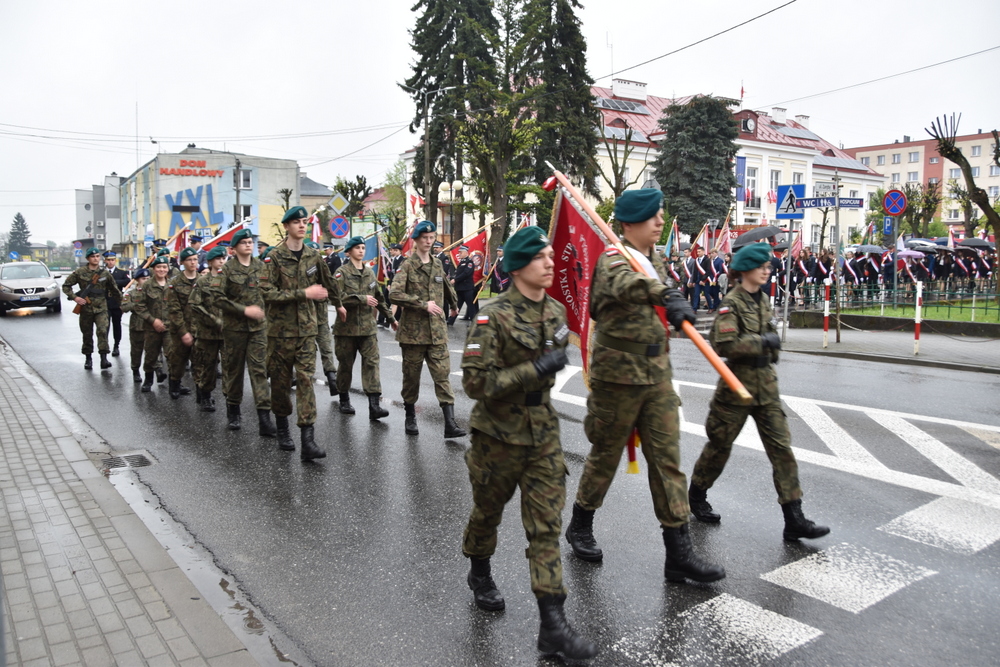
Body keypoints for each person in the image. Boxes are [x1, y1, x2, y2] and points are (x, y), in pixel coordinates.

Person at [566, 189, 725, 584]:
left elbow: (656, 292)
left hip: (656, 374)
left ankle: (678, 553)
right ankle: (580, 522)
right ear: (630, 222)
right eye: (653, 216)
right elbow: (626, 284)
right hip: (617, 377)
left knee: (667, 460)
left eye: (660, 215)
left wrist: (673, 301)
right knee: (605, 455)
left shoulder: (655, 260)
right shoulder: (613, 259)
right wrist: (664, 293)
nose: (660, 222)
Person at [460, 226, 597, 661]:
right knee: (487, 514)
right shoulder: (493, 317)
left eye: (551, 256)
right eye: (541, 257)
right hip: (497, 436)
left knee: (546, 526)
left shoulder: (555, 311)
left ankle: (553, 624)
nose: (550, 263)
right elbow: (475, 383)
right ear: (519, 267)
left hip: (542, 434)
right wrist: (534, 369)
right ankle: (479, 570)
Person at [688, 243, 830, 541]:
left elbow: (769, 333)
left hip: (766, 386)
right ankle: (697, 494)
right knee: (719, 446)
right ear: (746, 270)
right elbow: (723, 344)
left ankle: (794, 518)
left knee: (782, 449)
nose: (767, 270)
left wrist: (770, 345)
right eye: (761, 266)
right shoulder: (731, 302)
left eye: (768, 266)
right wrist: (762, 343)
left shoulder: (763, 299)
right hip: (736, 386)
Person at [260, 206, 342, 460]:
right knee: (281, 384)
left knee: (306, 381)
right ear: (286, 226)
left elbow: (329, 282)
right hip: (280, 334)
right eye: (296, 222)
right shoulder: (274, 258)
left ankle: (308, 440)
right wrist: (303, 293)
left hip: (306, 331)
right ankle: (283, 429)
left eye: (304, 221)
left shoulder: (313, 256)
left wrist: (339, 305)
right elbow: (266, 293)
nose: (301, 225)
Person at [389, 221, 466, 438]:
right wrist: (423, 305)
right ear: (416, 240)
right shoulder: (407, 266)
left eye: (432, 237)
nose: (429, 241)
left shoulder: (437, 264)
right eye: (425, 238)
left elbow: (446, 286)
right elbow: (394, 294)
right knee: (411, 378)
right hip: (413, 334)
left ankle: (450, 423)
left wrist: (454, 305)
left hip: (437, 332)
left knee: (442, 376)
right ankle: (410, 416)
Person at [209, 228, 276, 435]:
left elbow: (270, 292)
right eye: (244, 242)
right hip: (234, 330)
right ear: (235, 248)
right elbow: (216, 298)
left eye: (250, 242)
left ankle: (264, 418)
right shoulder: (226, 270)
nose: (248, 245)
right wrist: (244, 310)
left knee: (259, 371)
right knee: (234, 371)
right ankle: (233, 411)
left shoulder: (261, 267)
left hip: (258, 329)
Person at [332, 235, 395, 420]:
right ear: (349, 251)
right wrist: (361, 299)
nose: (361, 250)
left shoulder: (369, 273)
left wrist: (391, 318)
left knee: (372, 364)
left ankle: (374, 406)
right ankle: (344, 399)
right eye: (357, 248)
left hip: (368, 329)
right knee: (345, 365)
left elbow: (379, 298)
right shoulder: (341, 273)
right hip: (346, 330)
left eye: (362, 247)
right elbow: (336, 297)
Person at [62, 247, 123, 370]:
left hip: (101, 307)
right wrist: (75, 298)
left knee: (102, 331)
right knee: (87, 334)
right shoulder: (80, 272)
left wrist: (122, 304)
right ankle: (88, 359)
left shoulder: (105, 273)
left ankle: (104, 358)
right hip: (86, 308)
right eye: (92, 257)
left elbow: (115, 290)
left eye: (97, 256)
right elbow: (66, 286)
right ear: (88, 259)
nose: (95, 259)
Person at [189, 246, 227, 411]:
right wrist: (213, 319)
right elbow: (195, 304)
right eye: (218, 259)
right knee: (208, 366)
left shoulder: (230, 280)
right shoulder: (202, 281)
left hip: (228, 332)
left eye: (223, 258)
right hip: (207, 333)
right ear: (210, 262)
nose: (221, 261)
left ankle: (232, 402)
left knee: (230, 367)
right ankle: (205, 395)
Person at [164, 247, 200, 399]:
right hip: (181, 328)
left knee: (200, 361)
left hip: (200, 329)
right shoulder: (175, 283)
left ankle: (202, 393)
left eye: (195, 259)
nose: (193, 262)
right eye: (189, 260)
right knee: (178, 360)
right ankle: (174, 384)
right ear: (183, 262)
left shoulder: (203, 280)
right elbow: (174, 310)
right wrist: (183, 331)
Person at [133, 256, 172, 391]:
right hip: (151, 328)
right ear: (154, 269)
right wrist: (153, 320)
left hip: (169, 327)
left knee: (172, 355)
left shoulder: (172, 285)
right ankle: (148, 380)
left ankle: (175, 384)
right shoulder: (147, 285)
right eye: (158, 267)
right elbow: (139, 306)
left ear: (168, 268)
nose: (162, 270)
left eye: (164, 267)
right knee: (151, 355)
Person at [307, 241, 338, 395]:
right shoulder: (320, 265)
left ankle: (329, 379)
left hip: (312, 316)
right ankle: (331, 377)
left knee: (314, 350)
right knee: (323, 349)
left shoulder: (313, 266)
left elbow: (331, 284)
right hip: (313, 316)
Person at [120, 268, 150, 383]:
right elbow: (124, 307)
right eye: (143, 279)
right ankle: (135, 370)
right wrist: (136, 304)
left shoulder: (153, 292)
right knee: (136, 351)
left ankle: (154, 372)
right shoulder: (131, 293)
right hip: (137, 326)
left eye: (148, 278)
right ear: (137, 280)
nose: (146, 281)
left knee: (152, 351)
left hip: (151, 325)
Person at [103, 251, 130, 357]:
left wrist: (112, 282)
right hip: (104, 302)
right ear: (105, 260)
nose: (110, 262)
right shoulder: (101, 272)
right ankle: (105, 347)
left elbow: (127, 281)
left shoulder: (121, 272)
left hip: (116, 302)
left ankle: (116, 346)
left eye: (112, 260)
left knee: (117, 325)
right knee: (104, 326)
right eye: (108, 260)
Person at [451, 245, 478, 323]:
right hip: (460, 288)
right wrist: (453, 278)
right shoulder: (461, 262)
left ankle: (473, 321)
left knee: (470, 305)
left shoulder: (469, 262)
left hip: (467, 288)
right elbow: (457, 273)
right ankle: (451, 320)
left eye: (461, 252)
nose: (459, 254)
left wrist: (456, 279)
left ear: (466, 253)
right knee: (457, 305)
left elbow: (466, 273)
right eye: (459, 252)